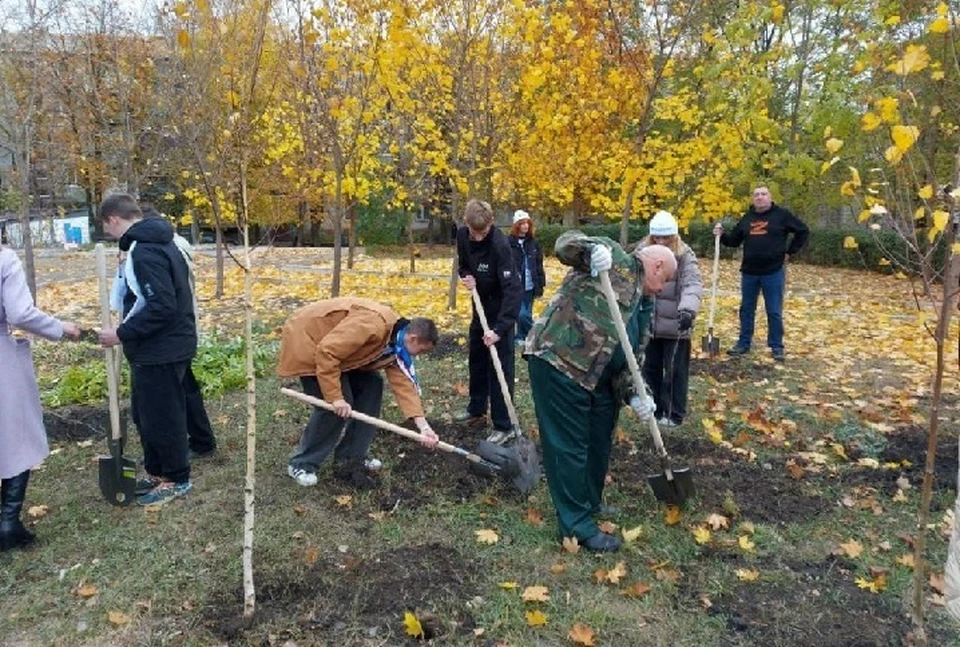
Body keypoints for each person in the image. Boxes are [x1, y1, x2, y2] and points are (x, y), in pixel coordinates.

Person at [525, 231, 677, 552]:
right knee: (569, 446)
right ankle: (576, 525)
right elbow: (565, 244)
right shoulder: (615, 258)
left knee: (598, 441)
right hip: (560, 360)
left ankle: (589, 504)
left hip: (601, 379)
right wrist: (591, 252)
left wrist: (637, 395)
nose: (663, 289)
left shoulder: (644, 308)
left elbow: (632, 362)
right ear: (658, 264)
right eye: (666, 281)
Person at [98, 194, 198, 507]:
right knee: (145, 414)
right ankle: (157, 472)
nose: (110, 235)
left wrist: (122, 333)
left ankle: (176, 478)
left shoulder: (146, 250)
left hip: (161, 349)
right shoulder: (156, 242)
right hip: (158, 347)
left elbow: (162, 305)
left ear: (114, 219)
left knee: (163, 417)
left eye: (106, 227)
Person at [278, 297, 440, 489]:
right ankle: (302, 464)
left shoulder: (397, 343)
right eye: (421, 350)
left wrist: (423, 427)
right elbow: (327, 352)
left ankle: (352, 456)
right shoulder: (372, 326)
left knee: (372, 385)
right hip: (309, 340)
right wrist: (336, 398)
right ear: (413, 338)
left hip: (339, 353)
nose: (417, 356)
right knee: (334, 407)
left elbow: (403, 384)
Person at [0, 248, 80, 550]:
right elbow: (20, 312)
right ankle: (8, 524)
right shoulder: (4, 260)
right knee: (16, 435)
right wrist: (60, 328)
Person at [142, 205, 217, 458]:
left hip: (172, 333)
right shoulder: (176, 244)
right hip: (183, 328)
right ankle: (202, 439)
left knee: (175, 394)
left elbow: (163, 299)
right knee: (186, 386)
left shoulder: (161, 250)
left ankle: (187, 448)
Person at [455, 200, 522, 445]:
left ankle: (504, 425)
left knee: (500, 368)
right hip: (480, 307)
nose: (479, 236)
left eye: (483, 232)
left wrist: (499, 329)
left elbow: (514, 291)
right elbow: (463, 265)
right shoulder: (462, 236)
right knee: (477, 360)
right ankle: (476, 409)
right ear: (466, 224)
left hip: (501, 311)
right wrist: (466, 276)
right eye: (475, 232)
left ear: (491, 224)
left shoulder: (500, 245)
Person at [714, 186, 808, 361]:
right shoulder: (747, 218)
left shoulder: (782, 215)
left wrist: (790, 251)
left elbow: (803, 231)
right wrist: (722, 235)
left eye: (763, 194)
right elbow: (734, 241)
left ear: (770, 197)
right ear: (753, 199)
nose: (759, 197)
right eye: (756, 195)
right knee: (746, 309)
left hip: (773, 271)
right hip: (749, 272)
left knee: (773, 311)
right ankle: (743, 344)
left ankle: (776, 346)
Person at [637, 211, 703, 427]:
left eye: (666, 238)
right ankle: (654, 410)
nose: (661, 242)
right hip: (650, 324)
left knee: (675, 371)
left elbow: (692, 284)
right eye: (657, 237)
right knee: (650, 368)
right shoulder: (642, 253)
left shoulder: (685, 256)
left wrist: (688, 310)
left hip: (676, 323)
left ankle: (674, 413)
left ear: (675, 237)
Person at [508, 209, 546, 346]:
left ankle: (522, 337)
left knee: (526, 313)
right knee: (521, 314)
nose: (525, 226)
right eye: (522, 223)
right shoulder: (508, 243)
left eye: (527, 223)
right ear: (516, 225)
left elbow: (539, 264)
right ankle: (539, 334)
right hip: (515, 285)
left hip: (531, 284)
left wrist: (541, 283)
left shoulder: (534, 243)